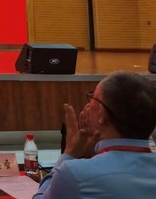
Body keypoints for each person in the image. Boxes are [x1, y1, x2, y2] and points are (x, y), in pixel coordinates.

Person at [33, 71, 156, 199]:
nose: (88, 104)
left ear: (101, 114)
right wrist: (93, 156)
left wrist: (68, 154)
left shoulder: (75, 174)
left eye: (93, 98)